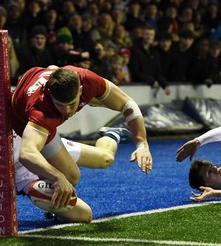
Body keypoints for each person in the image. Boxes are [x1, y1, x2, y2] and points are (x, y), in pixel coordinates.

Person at [0, 83, 133, 223]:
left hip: (41, 148)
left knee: (106, 159)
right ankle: (54, 210)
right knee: (84, 216)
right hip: (23, 176)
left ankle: (110, 135)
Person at [11, 65, 153, 209]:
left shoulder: (87, 79)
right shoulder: (41, 112)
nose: (67, 111)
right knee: (71, 177)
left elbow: (128, 104)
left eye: (72, 104)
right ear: (49, 93)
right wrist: (57, 177)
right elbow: (27, 154)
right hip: (28, 125)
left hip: (40, 86)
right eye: (60, 105)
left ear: (80, 89)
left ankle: (111, 134)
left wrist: (142, 144)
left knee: (105, 159)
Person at [176, 126, 221, 202]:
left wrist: (198, 141)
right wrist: (215, 193)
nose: (215, 167)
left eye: (211, 165)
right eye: (209, 172)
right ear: (206, 185)